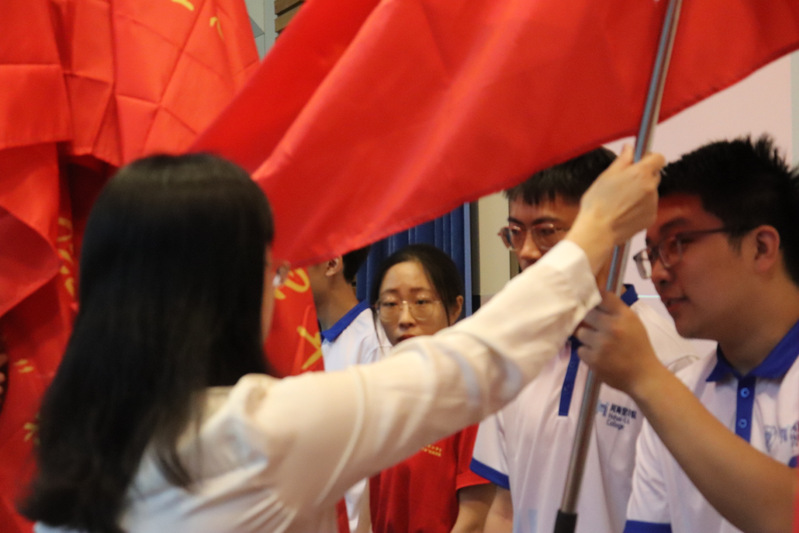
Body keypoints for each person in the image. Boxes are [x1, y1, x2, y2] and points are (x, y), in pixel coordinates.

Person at [19, 147, 663, 533]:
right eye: (271, 269)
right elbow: (467, 364)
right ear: (218, 294)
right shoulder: (248, 434)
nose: (279, 291)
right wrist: (596, 229)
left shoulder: (87, 440)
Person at [576, 136, 799, 533]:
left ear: (761, 247)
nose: (658, 273)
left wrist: (646, 378)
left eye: (677, 244)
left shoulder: (663, 393)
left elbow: (789, 515)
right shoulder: (683, 391)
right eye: (651, 252)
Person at [470, 148, 696, 533]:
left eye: (546, 232)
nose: (526, 252)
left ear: (610, 231)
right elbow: (504, 509)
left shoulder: (669, 363)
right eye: (516, 233)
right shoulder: (513, 352)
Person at [368, 244, 491, 533]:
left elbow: (474, 521)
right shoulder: (380, 393)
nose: (405, 318)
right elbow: (371, 507)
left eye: (421, 302)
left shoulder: (473, 397)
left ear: (455, 307)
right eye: (390, 304)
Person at [308, 247, 391, 532]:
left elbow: (382, 457)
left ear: (332, 264)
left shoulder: (373, 341)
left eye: (297, 263)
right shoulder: (315, 343)